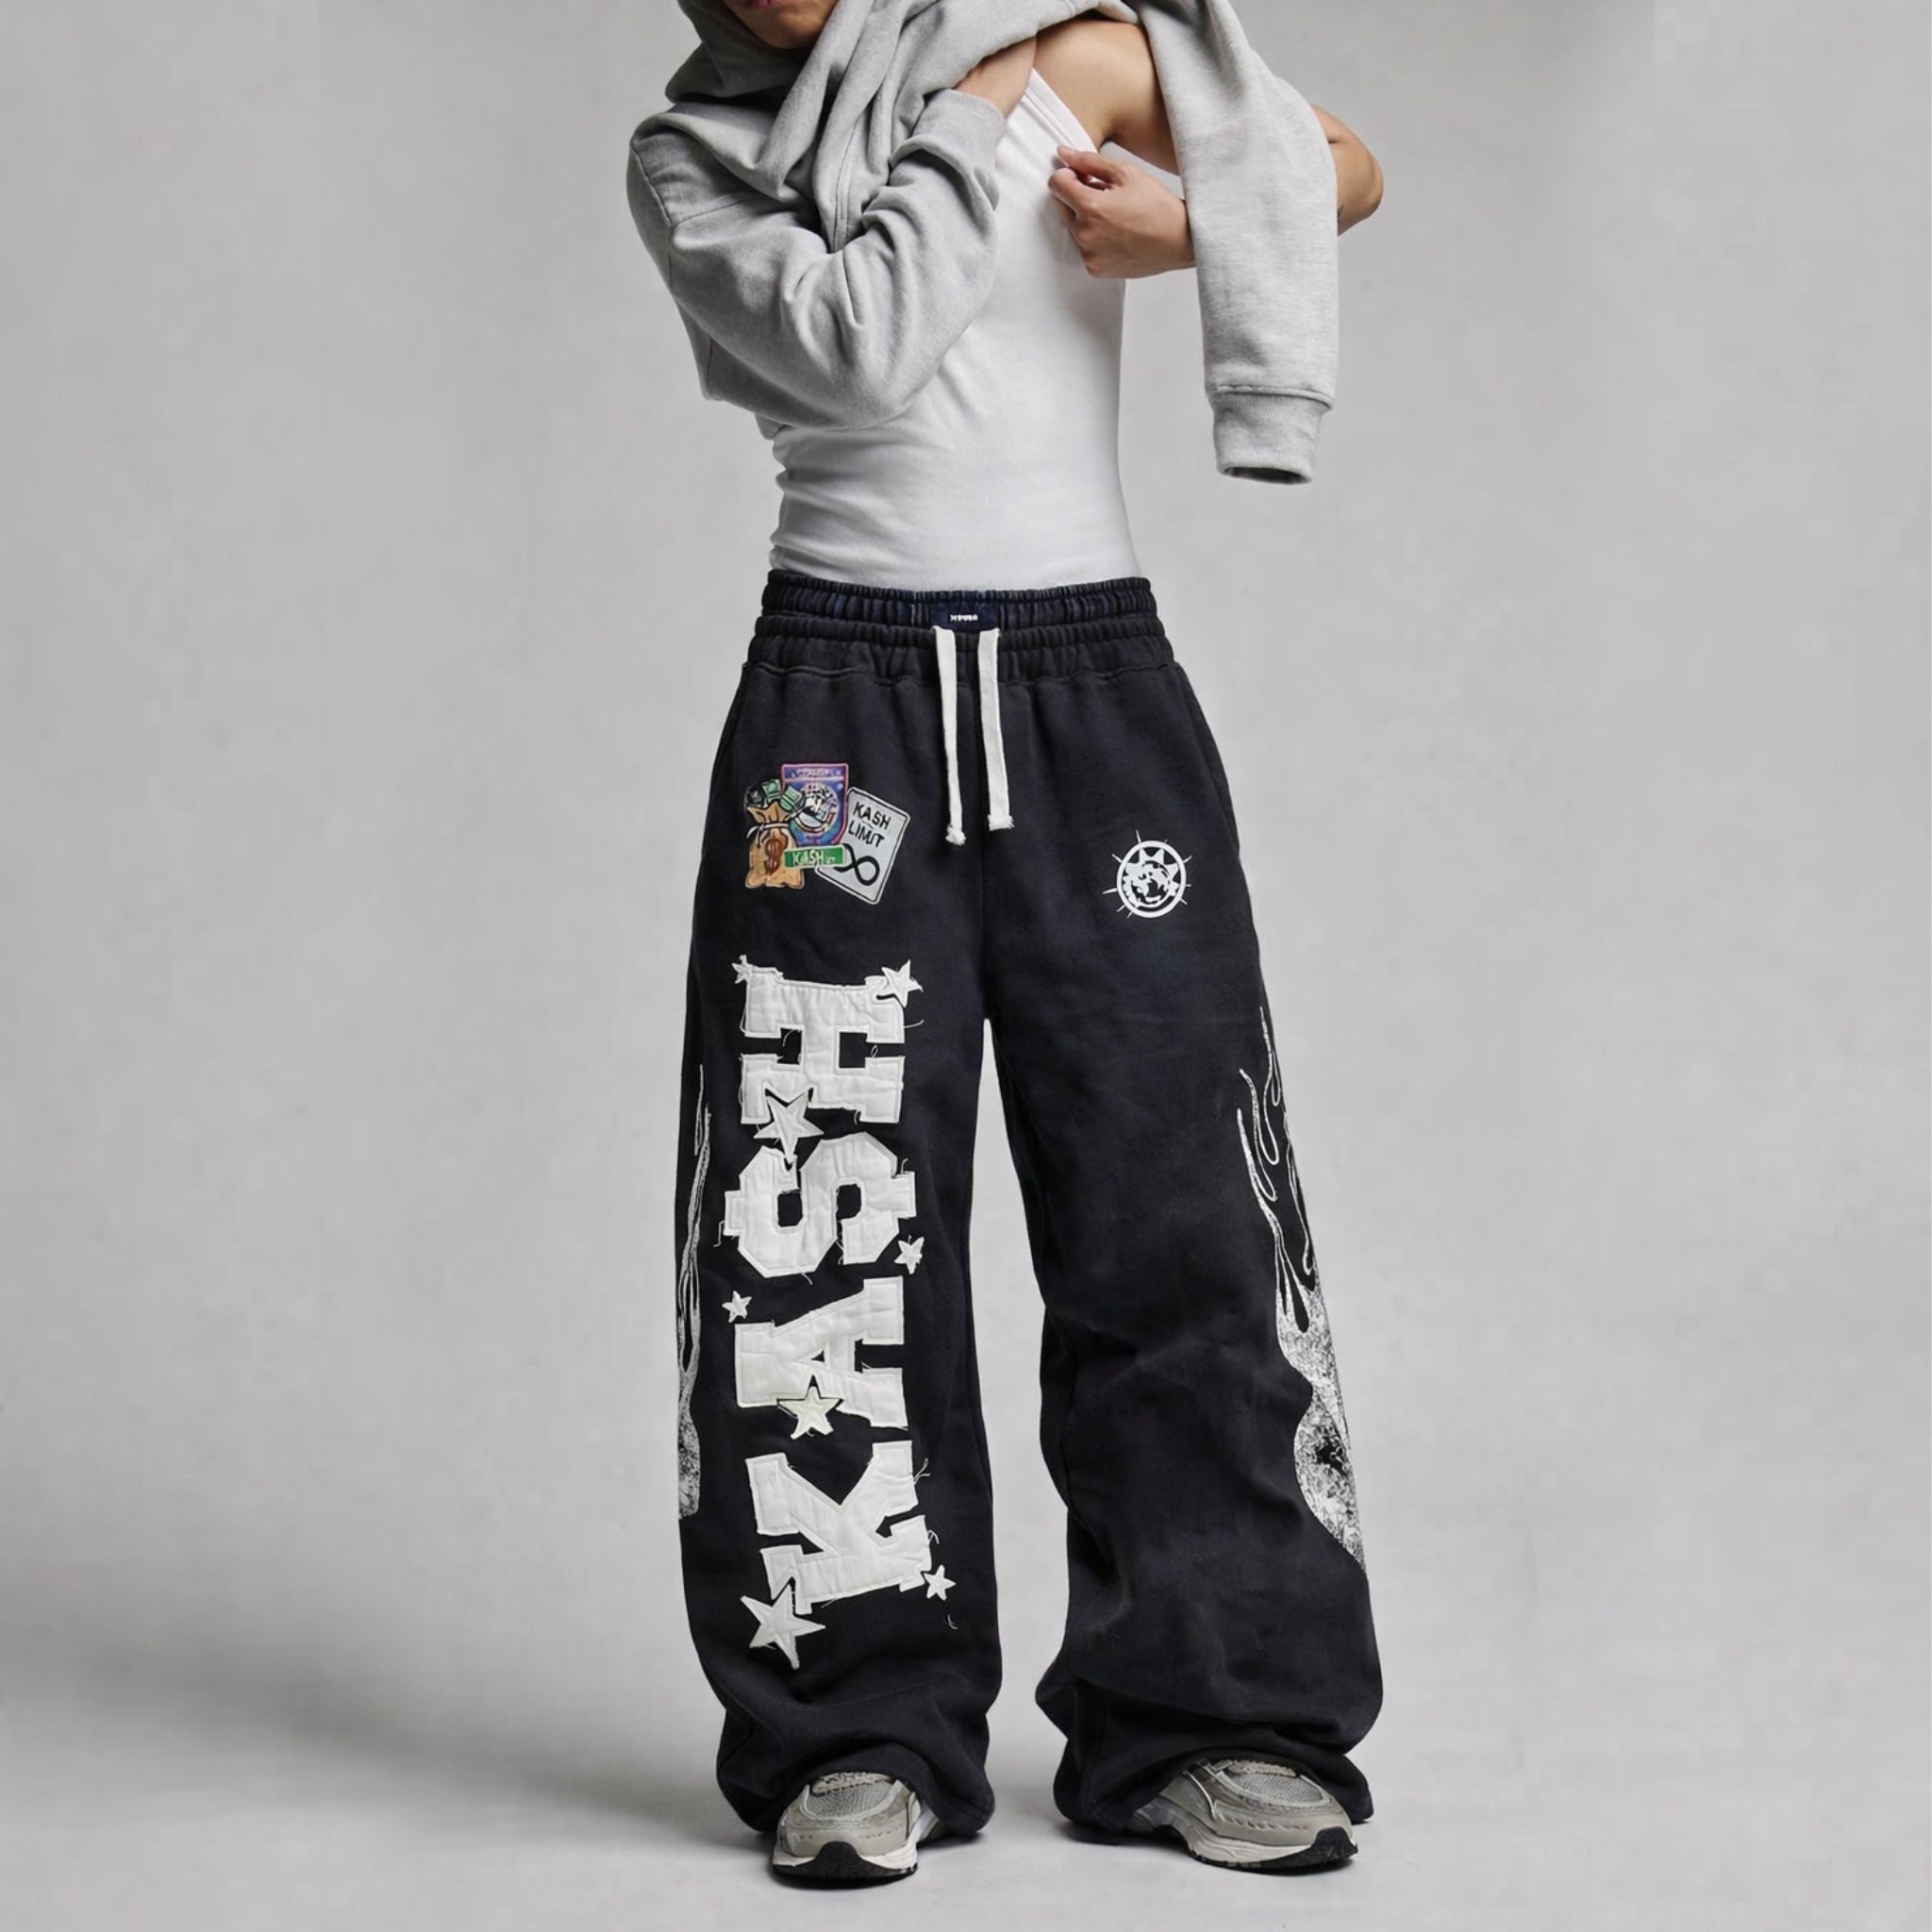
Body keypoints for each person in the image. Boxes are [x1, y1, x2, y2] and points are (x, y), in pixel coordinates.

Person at [633, 0, 1387, 1885]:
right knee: (818, 1209)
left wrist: (1196, 226)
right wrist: (992, 112)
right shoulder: (699, 159)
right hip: (839, 722)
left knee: (1177, 1202)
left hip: (1088, 693)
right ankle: (851, 1728)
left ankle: (1215, 1713)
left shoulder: (1081, 45)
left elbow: (1339, 167)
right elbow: (857, 346)